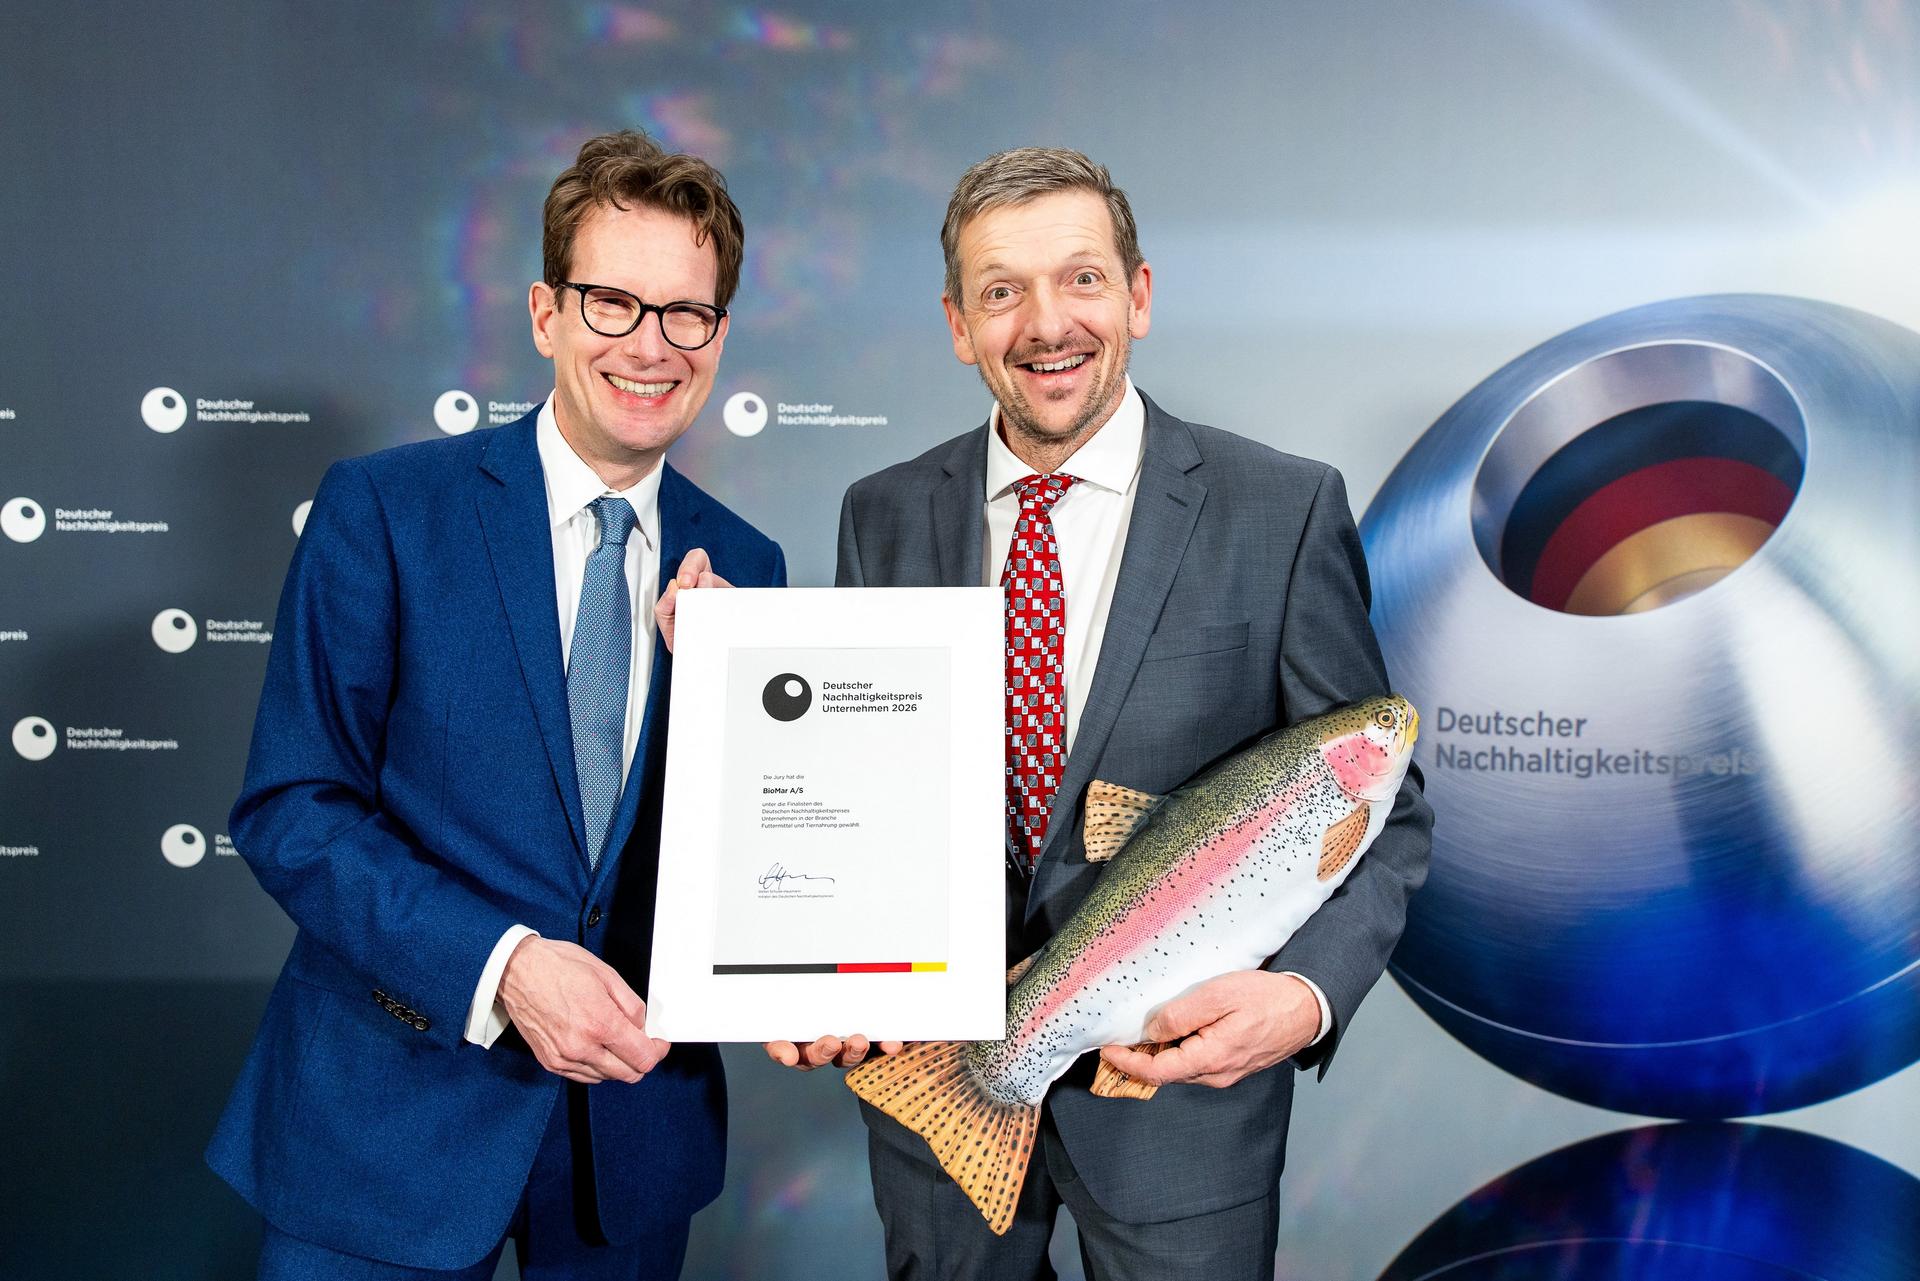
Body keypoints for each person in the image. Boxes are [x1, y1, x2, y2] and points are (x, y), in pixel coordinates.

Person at [768, 147, 1433, 1279]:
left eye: (1081, 278)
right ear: (958, 324)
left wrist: (1306, 995)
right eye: (1001, 290)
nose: (1046, 324)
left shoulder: (1280, 506)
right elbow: (856, 795)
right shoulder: (882, 514)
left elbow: (1386, 806)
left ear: (1138, 295)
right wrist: (810, 962)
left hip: (1182, 1112)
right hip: (935, 1095)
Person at [207, 129, 784, 1280]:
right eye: (613, 303)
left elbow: (757, 858)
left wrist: (739, 710)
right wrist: (505, 964)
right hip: (385, 1125)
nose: (651, 345)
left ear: (719, 336)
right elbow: (293, 809)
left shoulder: (747, 565)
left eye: (687, 314)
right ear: (545, 314)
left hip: (630, 1142)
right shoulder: (387, 510)